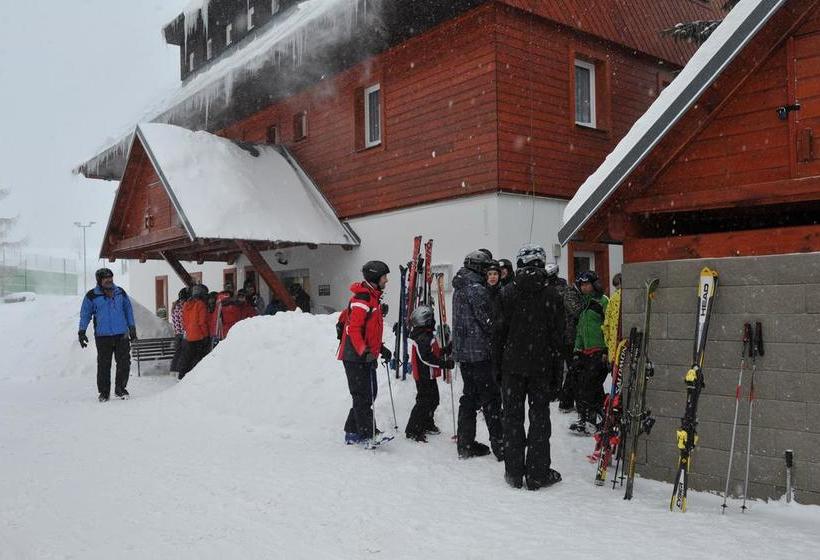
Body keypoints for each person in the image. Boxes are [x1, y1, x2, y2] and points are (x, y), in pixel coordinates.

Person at [496, 244, 564, 490]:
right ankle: (537, 473)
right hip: (541, 368)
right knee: (539, 420)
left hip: (512, 368)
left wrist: (498, 370)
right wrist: (558, 373)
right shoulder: (553, 294)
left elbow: (497, 335)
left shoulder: (507, 293)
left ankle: (514, 473)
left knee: (512, 419)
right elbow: (559, 338)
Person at [452, 250, 503, 460]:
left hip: (464, 354)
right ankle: (501, 446)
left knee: (469, 399)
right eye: (484, 269)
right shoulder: (476, 290)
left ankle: (465, 444)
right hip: (480, 354)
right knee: (491, 400)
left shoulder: (460, 288)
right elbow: (488, 322)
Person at [337, 261, 392, 445]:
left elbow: (371, 331)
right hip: (354, 356)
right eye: (384, 277)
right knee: (363, 396)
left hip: (364, 355)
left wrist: (380, 349)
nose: (386, 280)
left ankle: (352, 431)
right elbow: (354, 330)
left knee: (368, 394)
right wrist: (363, 351)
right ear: (376, 278)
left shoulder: (373, 297)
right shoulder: (362, 299)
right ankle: (369, 434)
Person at [78, 268, 137, 402]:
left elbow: (128, 310)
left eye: (111, 277)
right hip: (103, 336)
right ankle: (104, 393)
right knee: (104, 365)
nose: (109, 280)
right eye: (106, 278)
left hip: (121, 334)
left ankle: (120, 389)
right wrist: (81, 332)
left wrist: (132, 327)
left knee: (124, 363)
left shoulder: (120, 292)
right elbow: (85, 315)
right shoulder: (92, 296)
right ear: (99, 280)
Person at [404, 305, 454, 442]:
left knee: (434, 400)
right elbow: (426, 358)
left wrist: (446, 350)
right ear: (424, 321)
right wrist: (444, 364)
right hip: (423, 375)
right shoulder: (422, 338)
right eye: (431, 319)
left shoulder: (426, 335)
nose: (433, 322)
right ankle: (412, 430)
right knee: (423, 402)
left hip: (429, 375)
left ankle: (426, 422)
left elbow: (434, 353)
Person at [570, 271, 609, 435]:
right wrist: (577, 350)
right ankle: (597, 418)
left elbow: (610, 327)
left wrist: (607, 349)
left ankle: (591, 420)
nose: (584, 287)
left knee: (590, 386)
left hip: (599, 351)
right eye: (582, 285)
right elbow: (580, 330)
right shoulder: (583, 304)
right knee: (587, 387)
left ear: (594, 284)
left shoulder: (603, 301)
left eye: (587, 284)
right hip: (585, 352)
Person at [558, 269, 585, 413]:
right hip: (568, 339)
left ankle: (567, 400)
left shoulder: (574, 294)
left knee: (573, 370)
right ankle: (567, 401)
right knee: (574, 370)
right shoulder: (570, 294)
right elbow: (578, 311)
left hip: (572, 337)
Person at [179, 284, 211, 380]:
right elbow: (202, 322)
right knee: (199, 358)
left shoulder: (186, 304)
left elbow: (183, 321)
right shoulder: (200, 304)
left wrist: (188, 331)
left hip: (189, 336)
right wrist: (206, 335)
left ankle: (183, 376)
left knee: (188, 358)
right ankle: (197, 378)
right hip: (199, 336)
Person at [602, 273, 622, 365]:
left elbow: (607, 322)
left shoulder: (613, 298)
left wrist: (607, 340)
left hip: (614, 341)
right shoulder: (627, 296)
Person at [169, 287, 189, 377]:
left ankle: (173, 369)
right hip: (183, 333)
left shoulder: (175, 306)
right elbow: (184, 320)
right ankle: (180, 370)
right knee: (184, 352)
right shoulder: (183, 306)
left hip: (177, 333)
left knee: (178, 352)